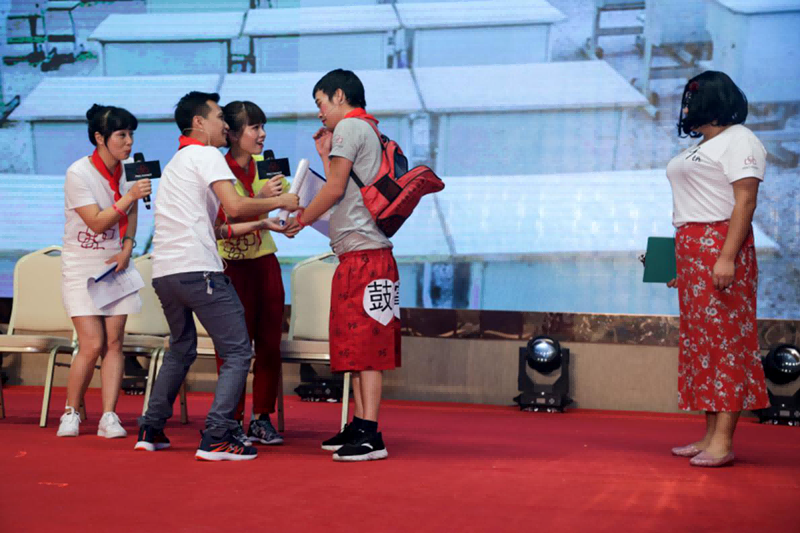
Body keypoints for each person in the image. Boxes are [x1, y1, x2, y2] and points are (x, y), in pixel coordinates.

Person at [135, 91, 298, 461]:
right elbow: (235, 206)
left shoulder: (177, 161)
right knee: (239, 349)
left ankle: (151, 427)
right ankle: (218, 434)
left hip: (166, 273)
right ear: (199, 123)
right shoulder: (206, 154)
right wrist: (278, 201)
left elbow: (218, 229)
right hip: (199, 271)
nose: (225, 125)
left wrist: (262, 223)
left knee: (181, 349)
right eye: (219, 117)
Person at [287, 69, 401, 462]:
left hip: (365, 257)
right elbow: (345, 184)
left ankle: (370, 434)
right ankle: (360, 423)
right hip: (364, 255)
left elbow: (335, 188)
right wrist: (326, 155)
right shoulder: (368, 129)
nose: (319, 113)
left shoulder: (350, 128)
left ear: (339, 96)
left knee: (367, 348)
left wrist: (300, 219)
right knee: (357, 345)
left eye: (320, 103)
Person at [665, 71, 770, 467]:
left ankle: (723, 441)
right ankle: (709, 435)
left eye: (694, 98)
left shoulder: (741, 139)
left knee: (726, 344)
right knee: (702, 346)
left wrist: (726, 257)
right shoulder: (704, 144)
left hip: (721, 244)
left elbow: (745, 202)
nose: (687, 105)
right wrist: (682, 264)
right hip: (692, 248)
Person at [57, 104, 151, 438]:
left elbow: (132, 214)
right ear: (100, 138)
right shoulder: (78, 173)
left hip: (117, 262)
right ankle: (71, 411)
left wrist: (127, 247)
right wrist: (130, 196)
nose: (129, 142)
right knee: (92, 342)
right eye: (121, 135)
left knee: (114, 342)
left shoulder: (129, 169)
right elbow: (97, 223)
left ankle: (109, 416)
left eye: (131, 134)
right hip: (82, 264)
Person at [213, 100, 295, 446]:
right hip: (230, 266)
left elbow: (292, 202)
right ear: (232, 134)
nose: (262, 134)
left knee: (269, 343)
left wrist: (293, 217)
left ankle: (261, 418)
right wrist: (263, 199)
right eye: (254, 128)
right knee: (233, 347)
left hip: (265, 263)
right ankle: (230, 419)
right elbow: (225, 218)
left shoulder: (268, 165)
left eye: (263, 127)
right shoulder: (216, 169)